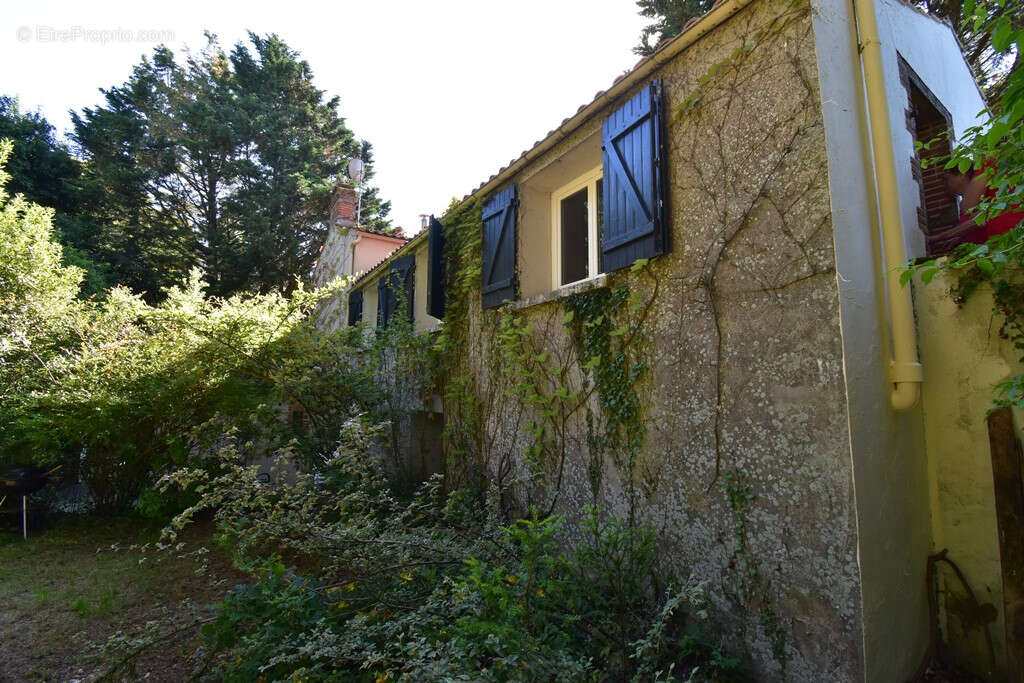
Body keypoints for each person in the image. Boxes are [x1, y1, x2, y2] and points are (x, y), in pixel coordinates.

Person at [927, 161, 1023, 251]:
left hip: (1007, 243)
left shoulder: (986, 166)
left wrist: (941, 236)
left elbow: (977, 218)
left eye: (947, 178)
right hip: (1002, 244)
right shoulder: (988, 195)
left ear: (961, 174)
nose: (945, 184)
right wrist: (961, 237)